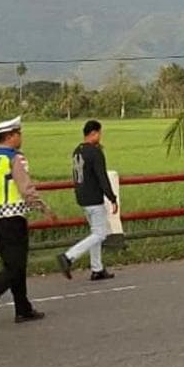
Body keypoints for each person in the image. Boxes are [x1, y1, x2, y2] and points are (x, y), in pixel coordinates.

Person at [0, 117, 56, 331]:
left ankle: (23, 309)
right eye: (18, 134)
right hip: (13, 218)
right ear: (10, 136)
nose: (20, 138)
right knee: (14, 267)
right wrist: (44, 208)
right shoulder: (14, 159)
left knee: (15, 265)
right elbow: (26, 188)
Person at [57, 120, 118, 281]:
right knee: (100, 234)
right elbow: (102, 177)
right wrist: (112, 198)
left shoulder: (78, 151)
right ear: (93, 133)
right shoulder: (95, 152)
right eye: (99, 133)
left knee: (95, 232)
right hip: (94, 198)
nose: (100, 136)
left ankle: (97, 269)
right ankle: (68, 256)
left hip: (82, 197)